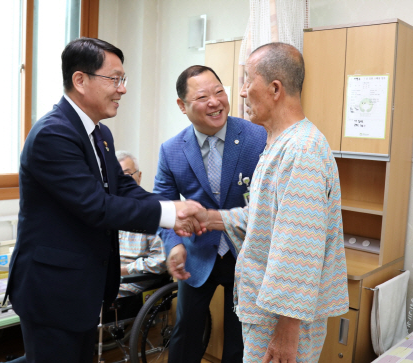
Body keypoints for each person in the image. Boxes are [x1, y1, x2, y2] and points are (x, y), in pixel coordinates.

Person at [5, 38, 203, 363]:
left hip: (82, 289)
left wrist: (170, 209)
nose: (122, 89)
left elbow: (122, 187)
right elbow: (97, 207)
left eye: (122, 80)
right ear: (80, 80)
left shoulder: (99, 133)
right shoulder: (54, 135)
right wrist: (169, 213)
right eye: (114, 79)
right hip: (53, 291)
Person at [178, 42, 349, 363]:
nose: (241, 92)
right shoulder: (279, 144)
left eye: (247, 80)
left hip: (282, 322)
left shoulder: (301, 152)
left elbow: (298, 249)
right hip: (269, 313)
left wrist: (287, 331)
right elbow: (264, 221)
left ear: (274, 88)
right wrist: (209, 217)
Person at [154, 65, 267, 362]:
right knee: (186, 335)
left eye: (219, 92)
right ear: (182, 105)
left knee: (239, 340)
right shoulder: (171, 150)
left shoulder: (258, 137)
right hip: (197, 256)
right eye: (203, 96)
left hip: (245, 254)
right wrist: (174, 245)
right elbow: (163, 206)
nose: (215, 102)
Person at [116, 150, 166, 297]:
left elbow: (160, 261)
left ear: (139, 176)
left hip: (135, 281)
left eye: (126, 175)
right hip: (108, 278)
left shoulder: (153, 210)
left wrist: (124, 270)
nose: (121, 182)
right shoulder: (109, 210)